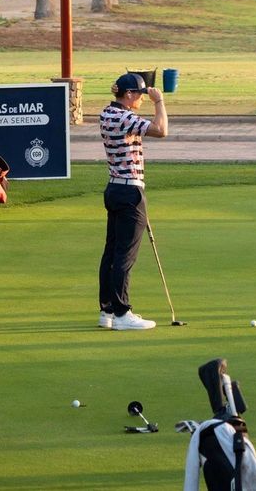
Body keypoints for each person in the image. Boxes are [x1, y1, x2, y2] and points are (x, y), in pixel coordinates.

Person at [98, 72, 168, 330]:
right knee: (125, 256)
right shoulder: (126, 117)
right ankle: (121, 313)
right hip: (129, 192)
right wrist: (159, 102)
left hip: (115, 189)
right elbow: (161, 130)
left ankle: (107, 311)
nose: (141, 98)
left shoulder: (107, 113)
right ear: (128, 95)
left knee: (111, 253)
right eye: (138, 94)